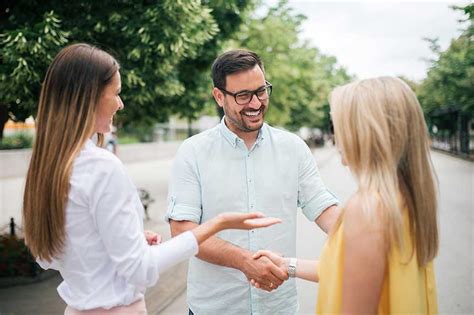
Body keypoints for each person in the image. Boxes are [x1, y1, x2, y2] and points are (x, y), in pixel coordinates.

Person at [22, 43, 281, 314]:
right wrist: (217, 224)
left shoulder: (50, 165)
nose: (120, 104)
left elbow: (48, 257)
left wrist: (122, 238)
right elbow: (141, 270)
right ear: (90, 97)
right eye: (116, 93)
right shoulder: (102, 167)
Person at [166, 49, 339, 314]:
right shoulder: (193, 152)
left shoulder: (293, 148)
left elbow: (324, 208)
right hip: (215, 308)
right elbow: (183, 232)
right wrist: (244, 261)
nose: (256, 103)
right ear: (219, 96)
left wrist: (366, 234)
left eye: (261, 91)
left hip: (278, 307)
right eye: (243, 96)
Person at [252, 76, 439, 314]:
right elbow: (353, 271)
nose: (336, 136)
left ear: (364, 133)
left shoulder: (367, 209)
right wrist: (287, 265)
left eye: (338, 126)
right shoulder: (404, 198)